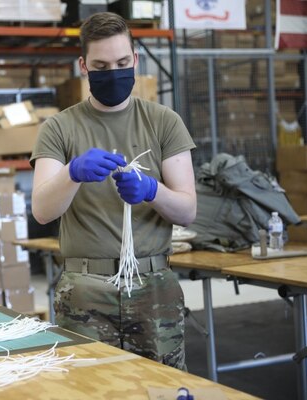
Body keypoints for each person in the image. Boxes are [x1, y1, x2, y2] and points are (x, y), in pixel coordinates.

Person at [30, 12, 196, 370]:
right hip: (85, 290)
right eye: (101, 65)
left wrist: (153, 190)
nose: (114, 72)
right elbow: (43, 210)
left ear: (136, 60)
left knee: (161, 388)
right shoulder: (59, 129)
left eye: (122, 63)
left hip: (153, 286)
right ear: (83, 66)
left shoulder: (165, 122)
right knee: (91, 389)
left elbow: (187, 211)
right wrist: (72, 173)